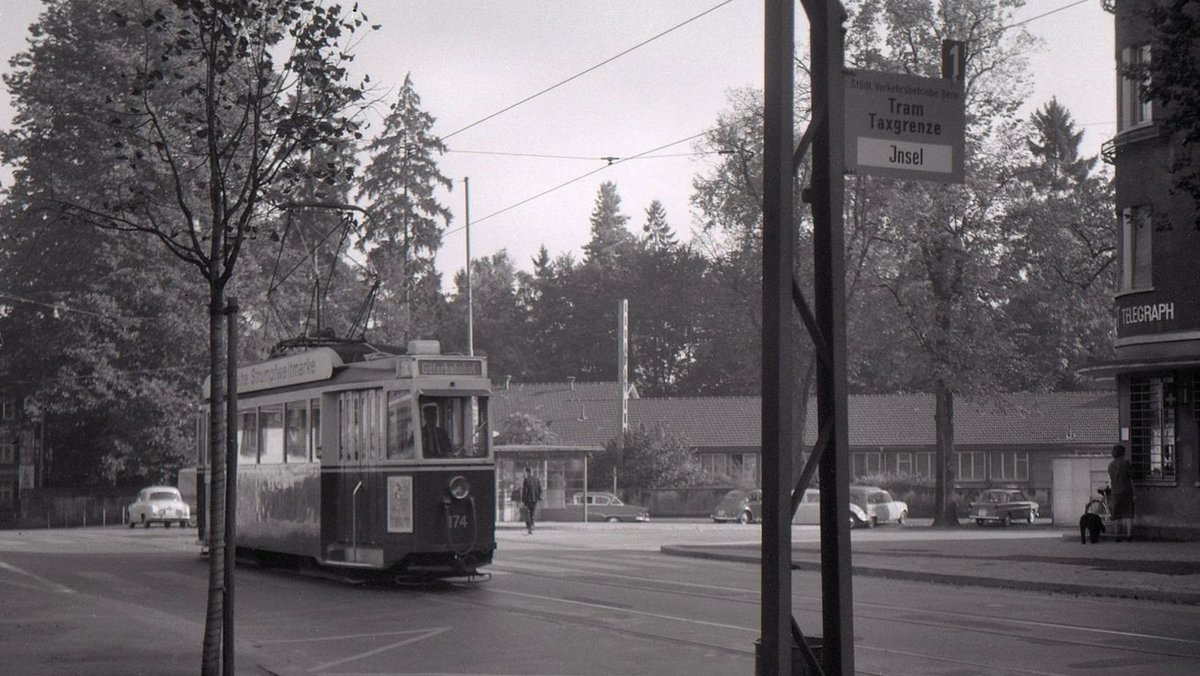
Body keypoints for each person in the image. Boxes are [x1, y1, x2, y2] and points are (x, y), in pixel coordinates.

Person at [1108, 443, 1135, 541]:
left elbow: (1111, 478)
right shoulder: (1126, 463)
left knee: (1116, 515)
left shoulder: (1110, 465)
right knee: (1129, 514)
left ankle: (1117, 536)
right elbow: (1132, 476)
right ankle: (1129, 536)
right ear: (1123, 453)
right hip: (1126, 491)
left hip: (1115, 492)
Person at [521, 466, 542, 534]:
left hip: (528, 500)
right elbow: (540, 489)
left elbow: (525, 491)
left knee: (527, 513)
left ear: (527, 472)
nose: (524, 473)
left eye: (524, 471)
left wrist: (523, 500)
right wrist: (538, 497)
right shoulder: (536, 479)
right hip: (534, 499)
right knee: (532, 513)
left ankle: (529, 526)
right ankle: (532, 525)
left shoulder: (526, 480)